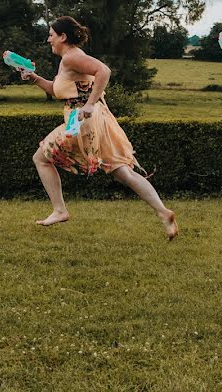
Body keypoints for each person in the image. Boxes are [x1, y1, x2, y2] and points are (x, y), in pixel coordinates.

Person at [20, 16, 178, 240]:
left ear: (63, 37)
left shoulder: (71, 57)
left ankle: (60, 210)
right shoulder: (70, 59)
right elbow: (58, 91)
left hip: (81, 120)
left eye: (51, 35)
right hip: (93, 120)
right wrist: (34, 78)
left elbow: (104, 71)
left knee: (41, 158)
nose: (49, 40)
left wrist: (90, 104)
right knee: (122, 172)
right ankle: (164, 213)